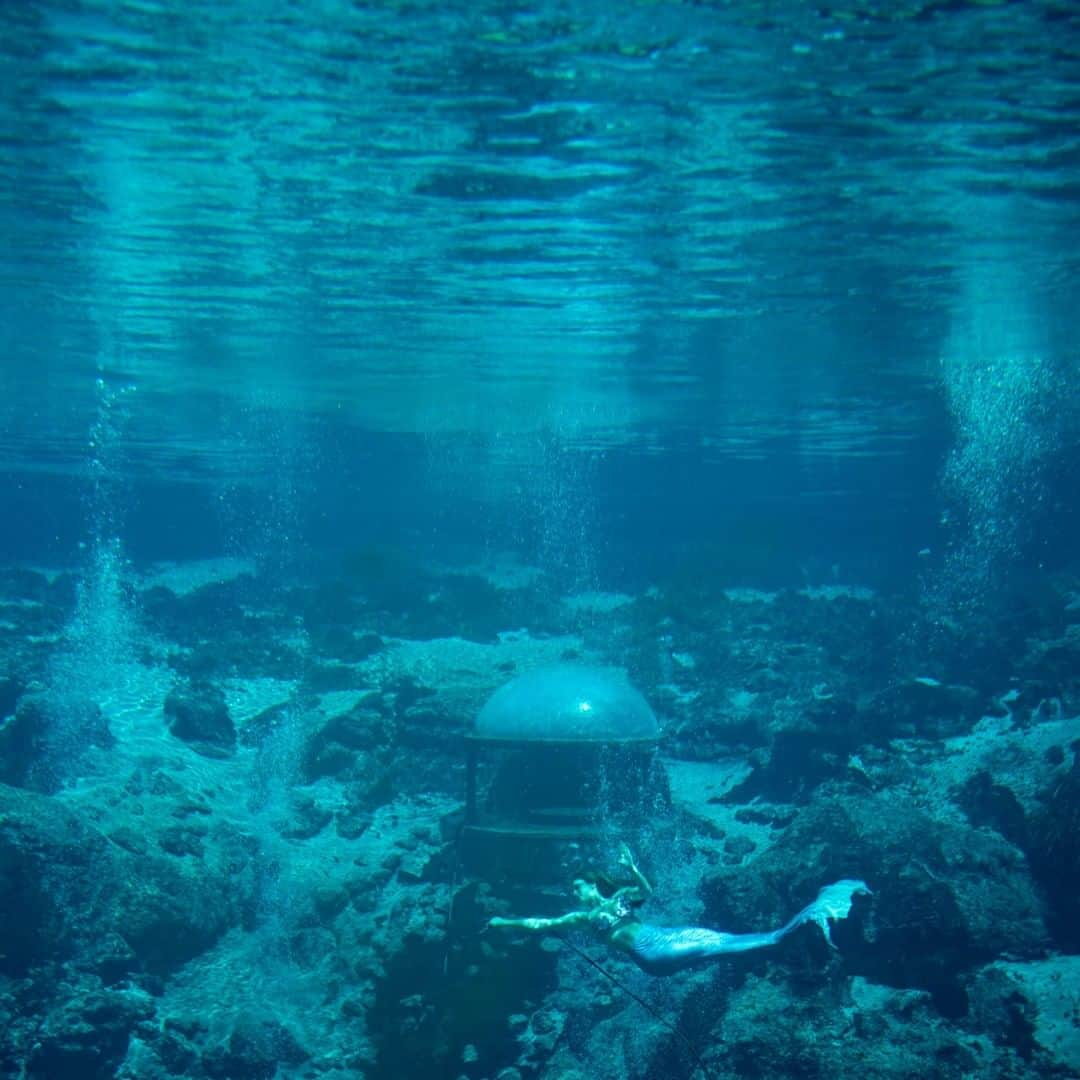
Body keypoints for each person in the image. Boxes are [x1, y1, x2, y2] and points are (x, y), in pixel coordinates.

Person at [488, 843, 871, 976]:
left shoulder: (618, 896)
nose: (576, 893)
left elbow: (645, 890)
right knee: (721, 946)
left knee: (720, 937)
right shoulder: (582, 919)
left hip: (662, 935)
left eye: (578, 886)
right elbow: (540, 924)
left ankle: (809, 922)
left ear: (592, 884)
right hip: (652, 953)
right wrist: (505, 921)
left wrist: (633, 866)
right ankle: (798, 930)